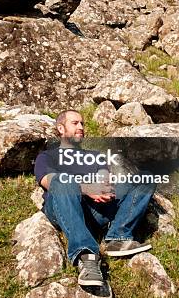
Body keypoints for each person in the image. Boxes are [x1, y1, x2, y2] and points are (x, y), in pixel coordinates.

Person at [34, 109, 156, 287]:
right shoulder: (47, 157)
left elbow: (104, 178)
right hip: (64, 207)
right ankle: (87, 255)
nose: (81, 127)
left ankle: (118, 237)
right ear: (61, 129)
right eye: (75, 123)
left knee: (145, 177)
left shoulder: (95, 156)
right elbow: (49, 182)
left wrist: (103, 188)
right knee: (62, 180)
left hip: (95, 210)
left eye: (82, 123)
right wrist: (85, 188)